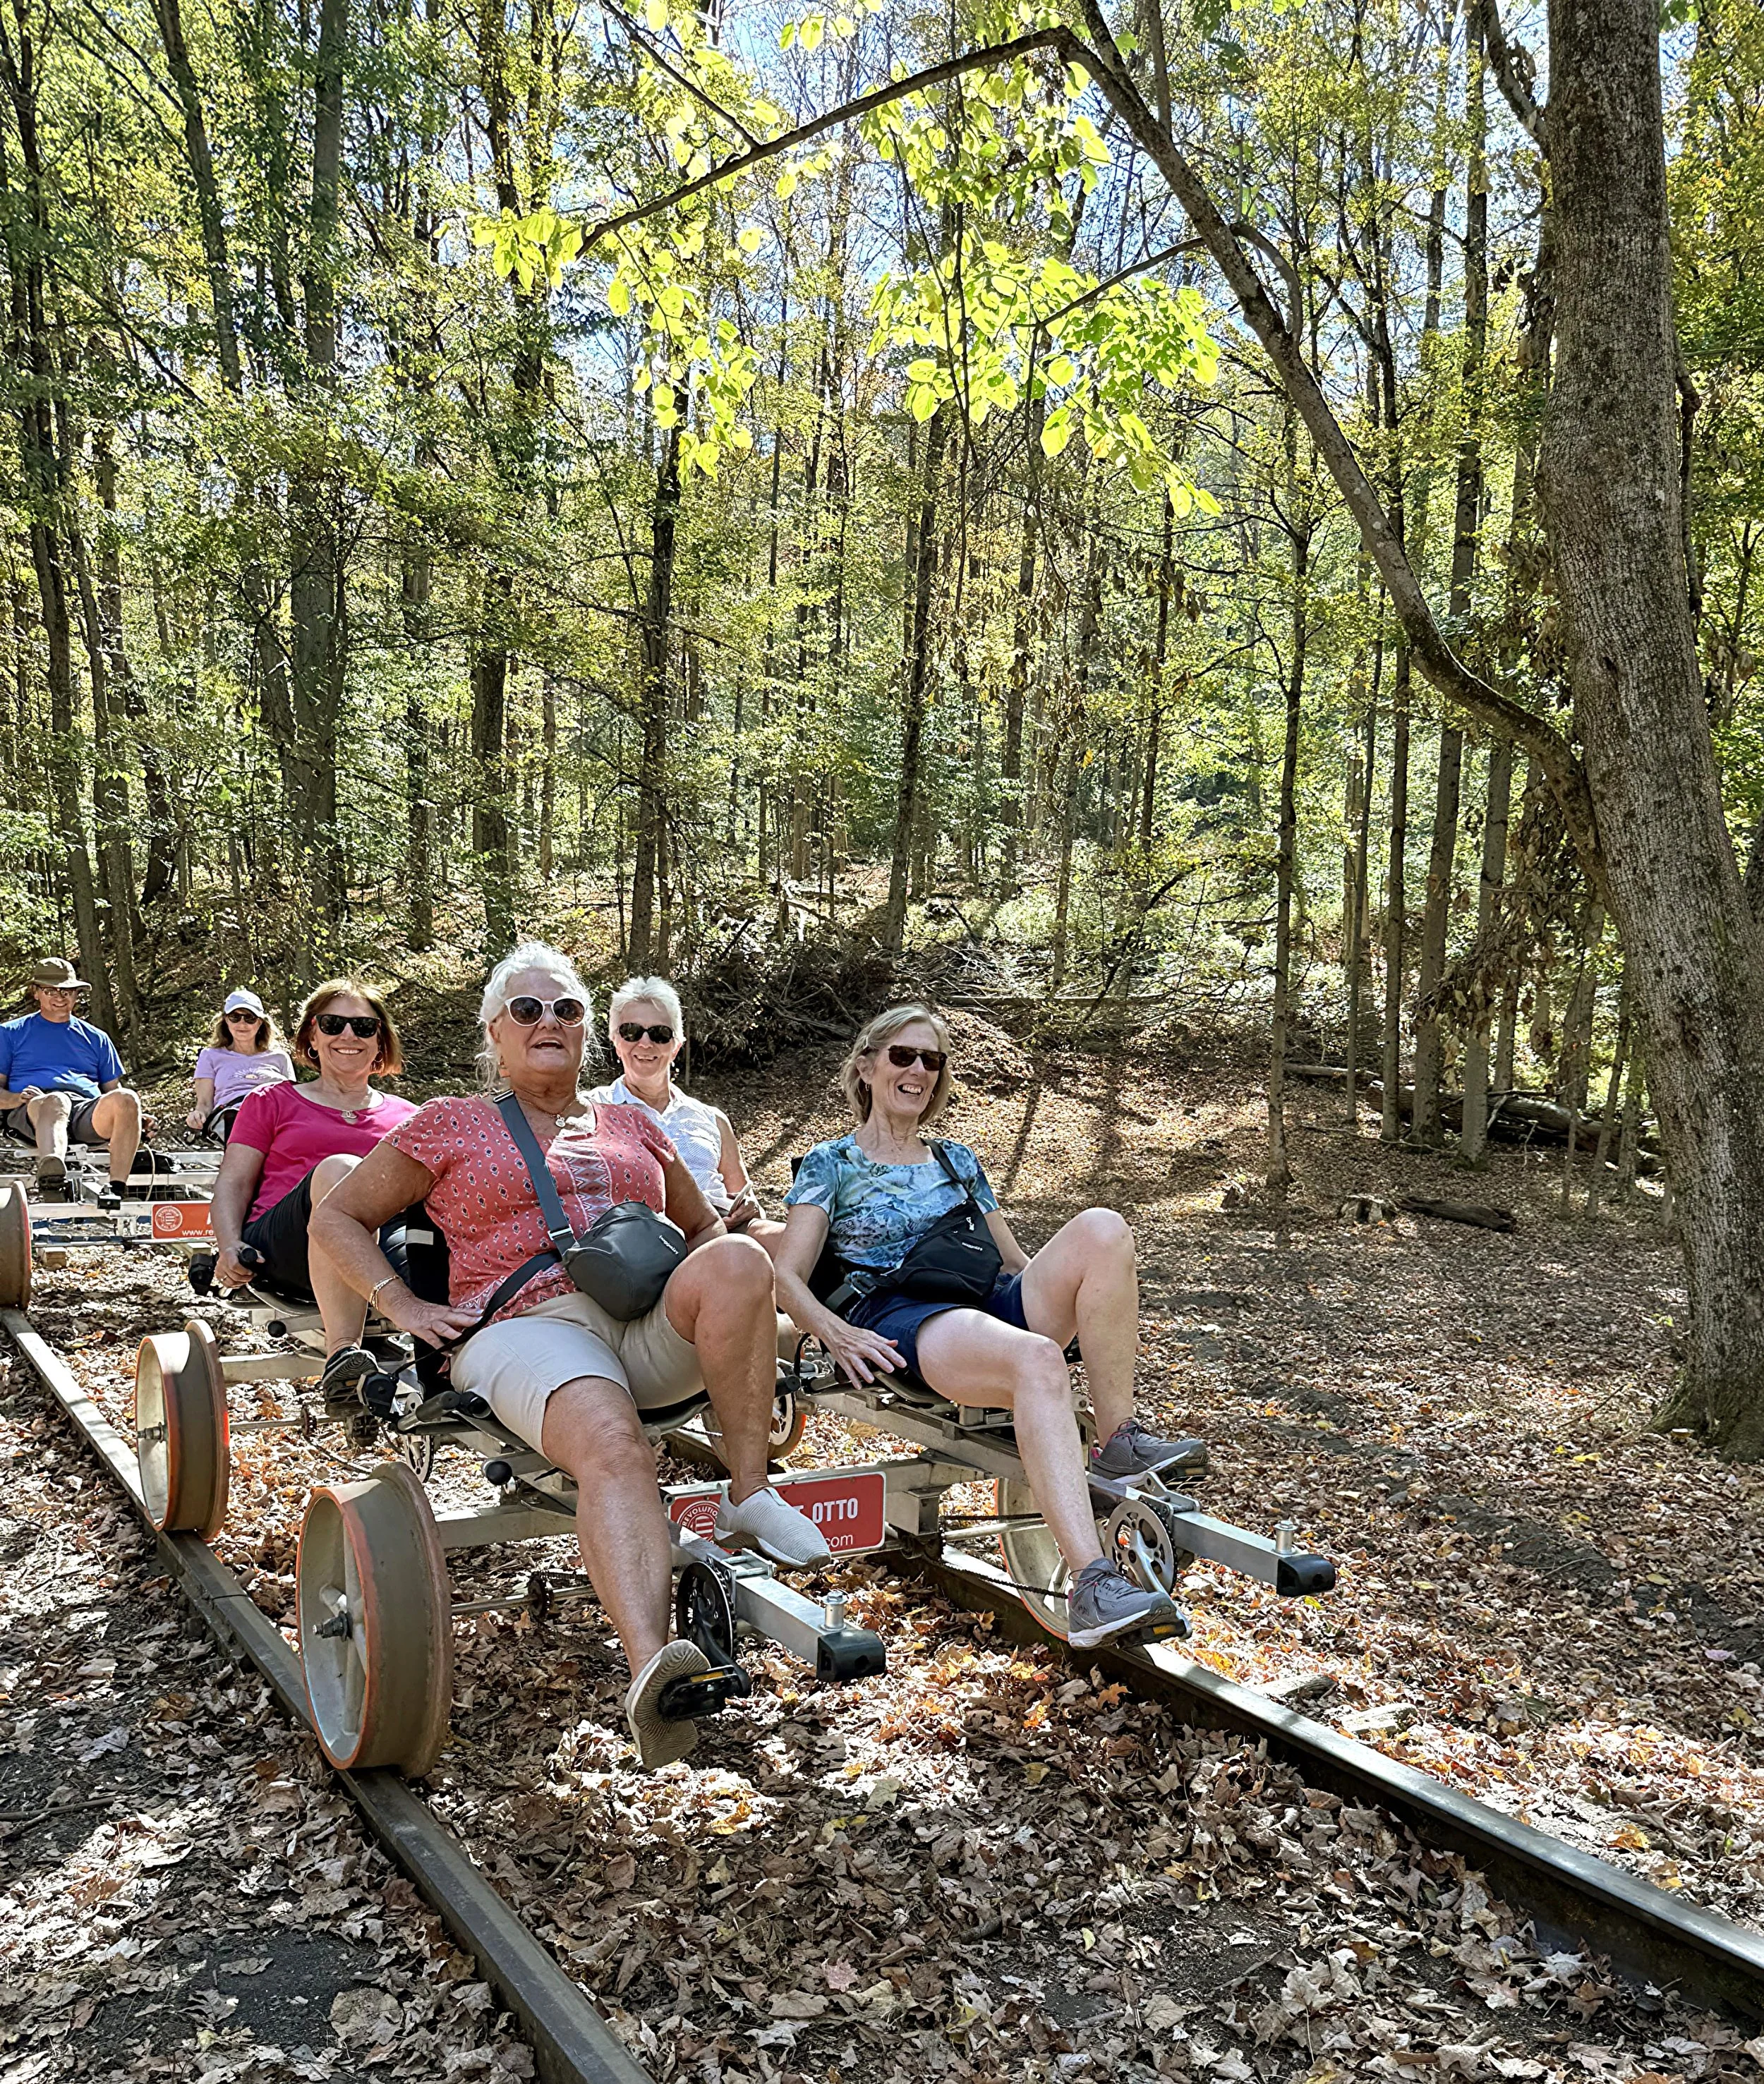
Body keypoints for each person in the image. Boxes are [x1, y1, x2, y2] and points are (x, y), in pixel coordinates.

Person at [310, 940, 831, 1773]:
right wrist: (401, 1304)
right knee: (613, 1443)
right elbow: (337, 1217)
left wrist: (703, 1274)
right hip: (523, 1323)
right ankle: (654, 1674)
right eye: (528, 1009)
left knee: (740, 1259)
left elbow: (704, 1228)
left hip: (641, 1321)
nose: (548, 1021)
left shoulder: (634, 1122)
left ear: (588, 1029)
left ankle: (748, 1491)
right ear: (495, 1031)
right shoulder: (451, 1120)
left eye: (566, 1008)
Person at [774, 1001, 1207, 1652]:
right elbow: (786, 1276)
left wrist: (1085, 1306)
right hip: (905, 1316)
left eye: (932, 1060)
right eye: (903, 1055)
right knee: (1036, 1359)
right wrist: (835, 1332)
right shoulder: (830, 1163)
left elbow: (1015, 1261)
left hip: (983, 1301)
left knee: (1103, 1228)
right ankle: (1091, 1584)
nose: (918, 1069)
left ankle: (1119, 1439)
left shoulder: (958, 1160)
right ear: (867, 1067)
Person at [207, 979, 416, 1400]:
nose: (348, 1036)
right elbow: (233, 1181)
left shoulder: (409, 1117)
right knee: (341, 1171)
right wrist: (228, 1245)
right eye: (333, 1023)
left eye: (363, 1027)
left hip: (379, 1253)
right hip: (286, 1246)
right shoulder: (271, 1101)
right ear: (313, 1037)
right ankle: (343, 1354)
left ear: (380, 1042)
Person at [587, 976, 778, 1242]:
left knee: (795, 1242)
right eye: (631, 1032)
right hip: (642, 1246)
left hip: (727, 1235)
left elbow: (748, 1200)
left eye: (659, 1034)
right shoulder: (591, 1110)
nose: (645, 1043)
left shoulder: (712, 1119)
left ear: (676, 1046)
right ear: (615, 1041)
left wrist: (750, 1209)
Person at [0, 957, 144, 1203]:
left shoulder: (96, 1038)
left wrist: (134, 1116)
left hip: (83, 1111)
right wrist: (16, 1098)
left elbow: (113, 1092)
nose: (60, 997)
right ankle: (52, 1177)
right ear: (36, 993)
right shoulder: (10, 1033)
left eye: (68, 991)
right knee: (56, 1100)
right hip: (33, 1107)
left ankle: (117, 1188)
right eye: (51, 991)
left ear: (77, 995)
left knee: (128, 1098)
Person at [187, 990, 295, 1135]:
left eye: (249, 1018)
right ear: (226, 1021)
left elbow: (293, 1100)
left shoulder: (280, 1057)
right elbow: (204, 1105)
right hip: (232, 1119)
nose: (242, 1024)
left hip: (276, 1117)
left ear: (260, 1022)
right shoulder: (210, 1056)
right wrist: (197, 1116)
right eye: (235, 1017)